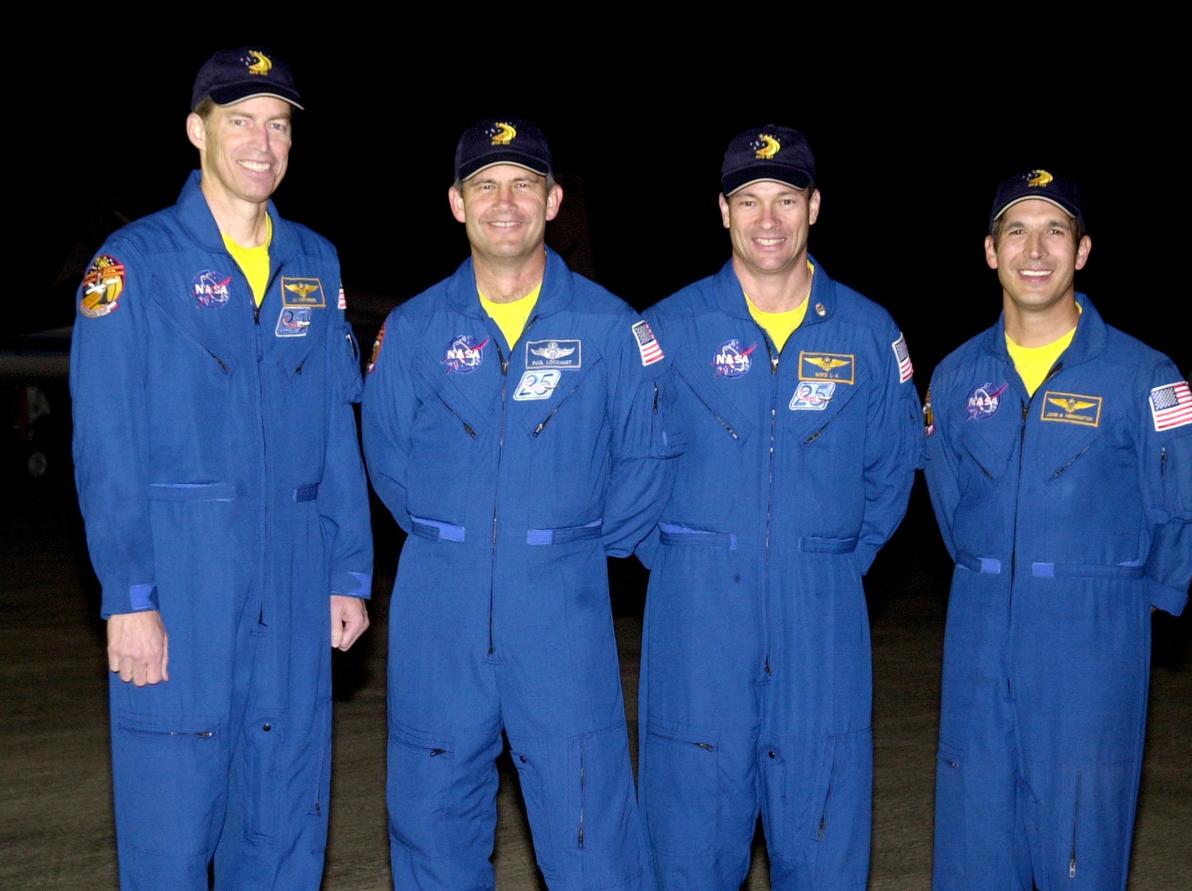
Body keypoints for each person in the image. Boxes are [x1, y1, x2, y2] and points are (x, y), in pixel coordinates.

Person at [70, 48, 373, 889]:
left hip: (295, 576)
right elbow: (106, 444)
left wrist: (348, 569)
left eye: (277, 126)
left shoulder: (315, 260)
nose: (261, 143)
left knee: (282, 827)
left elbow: (335, 426)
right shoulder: (132, 264)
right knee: (171, 832)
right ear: (197, 129)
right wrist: (129, 596)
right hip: (182, 584)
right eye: (240, 121)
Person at [361, 118, 677, 891]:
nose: (506, 201)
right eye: (485, 185)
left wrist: (562, 545)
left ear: (554, 199)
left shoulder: (610, 328)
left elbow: (644, 464)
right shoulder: (414, 329)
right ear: (456, 203)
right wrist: (458, 533)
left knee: (589, 833)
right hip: (441, 604)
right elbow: (388, 457)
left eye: (524, 183)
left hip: (562, 611)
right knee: (433, 827)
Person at [637, 125, 922, 890]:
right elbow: (622, 467)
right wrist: (681, 559)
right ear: (723, 212)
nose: (769, 219)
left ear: (815, 206)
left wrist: (826, 561)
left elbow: (894, 469)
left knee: (823, 849)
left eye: (787, 199)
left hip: (821, 623)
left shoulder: (868, 332)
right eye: (750, 200)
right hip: (696, 625)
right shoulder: (666, 331)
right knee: (688, 853)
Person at [923, 169, 1192, 889]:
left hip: (1091, 641)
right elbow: (949, 498)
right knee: (975, 844)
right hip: (980, 633)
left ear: (1082, 251)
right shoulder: (958, 376)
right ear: (989, 252)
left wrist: (1127, 602)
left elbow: (1190, 505)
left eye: (1054, 230)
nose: (1035, 248)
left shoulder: (1142, 374)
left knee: (1079, 848)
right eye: (1015, 230)